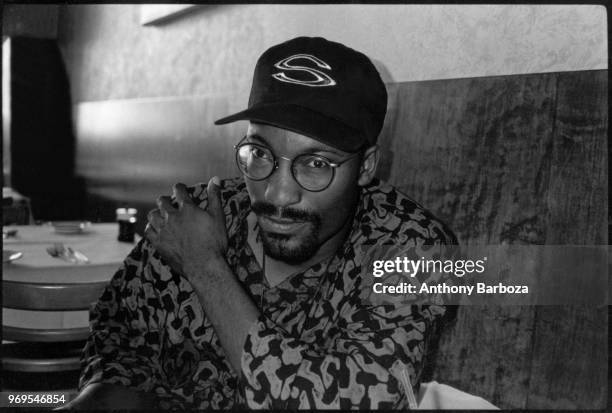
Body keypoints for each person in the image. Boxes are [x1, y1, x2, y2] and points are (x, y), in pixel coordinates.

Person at [63, 36, 457, 410]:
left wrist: (205, 267)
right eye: (260, 153)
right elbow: (120, 335)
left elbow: (353, 399)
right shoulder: (197, 215)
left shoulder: (413, 248)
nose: (278, 194)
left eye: (317, 164)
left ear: (366, 166)